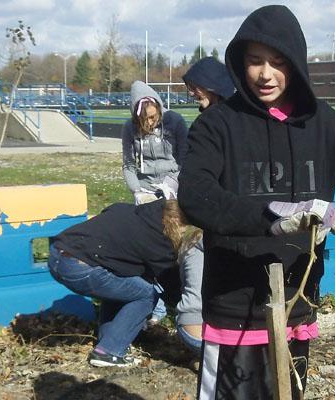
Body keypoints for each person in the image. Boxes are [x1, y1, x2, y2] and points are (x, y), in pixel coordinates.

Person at [177, 5, 335, 400]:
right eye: (255, 61)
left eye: (278, 62)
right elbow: (196, 196)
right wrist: (271, 216)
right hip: (236, 303)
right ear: (240, 62)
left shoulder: (325, 125)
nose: (266, 74)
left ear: (295, 63)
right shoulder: (218, 125)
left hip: (298, 299)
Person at [48, 199, 190, 368]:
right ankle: (109, 351)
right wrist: (188, 306)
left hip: (57, 254)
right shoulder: (158, 240)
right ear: (175, 223)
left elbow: (108, 217)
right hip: (78, 268)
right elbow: (170, 284)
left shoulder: (128, 210)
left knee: (123, 286)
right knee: (147, 294)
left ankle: (108, 340)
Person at [175, 59, 235, 354]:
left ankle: (204, 337)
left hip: (221, 218)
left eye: (195, 88)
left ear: (213, 86)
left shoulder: (220, 122)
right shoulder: (211, 121)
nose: (192, 93)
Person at [122, 80, 188, 324]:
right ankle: (157, 304)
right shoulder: (129, 130)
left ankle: (181, 297)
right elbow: (128, 165)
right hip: (147, 192)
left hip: (172, 188)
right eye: (145, 119)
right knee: (148, 248)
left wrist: (172, 184)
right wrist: (137, 190)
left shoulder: (175, 122)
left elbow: (185, 158)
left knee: (175, 245)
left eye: (153, 117)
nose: (151, 123)